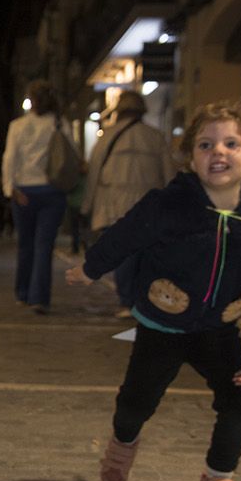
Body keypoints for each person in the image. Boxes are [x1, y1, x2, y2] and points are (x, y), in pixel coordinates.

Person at [65, 101, 241, 481]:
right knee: (135, 403)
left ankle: (219, 478)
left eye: (231, 143)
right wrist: (91, 268)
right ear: (191, 158)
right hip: (162, 326)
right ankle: (123, 443)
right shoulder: (169, 204)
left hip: (220, 331)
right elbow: (125, 235)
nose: (218, 151)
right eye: (205, 144)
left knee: (238, 404)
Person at [82, 89, 175, 318]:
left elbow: (94, 173)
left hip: (113, 203)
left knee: (123, 252)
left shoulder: (107, 137)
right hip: (148, 204)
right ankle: (140, 300)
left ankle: (127, 300)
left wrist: (87, 205)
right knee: (144, 254)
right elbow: (169, 173)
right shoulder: (155, 137)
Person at [3, 81, 67, 312]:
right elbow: (70, 153)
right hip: (52, 190)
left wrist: (10, 188)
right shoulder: (59, 124)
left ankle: (23, 292)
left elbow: (10, 158)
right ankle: (39, 297)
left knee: (26, 244)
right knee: (44, 246)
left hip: (25, 191)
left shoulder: (18, 126)